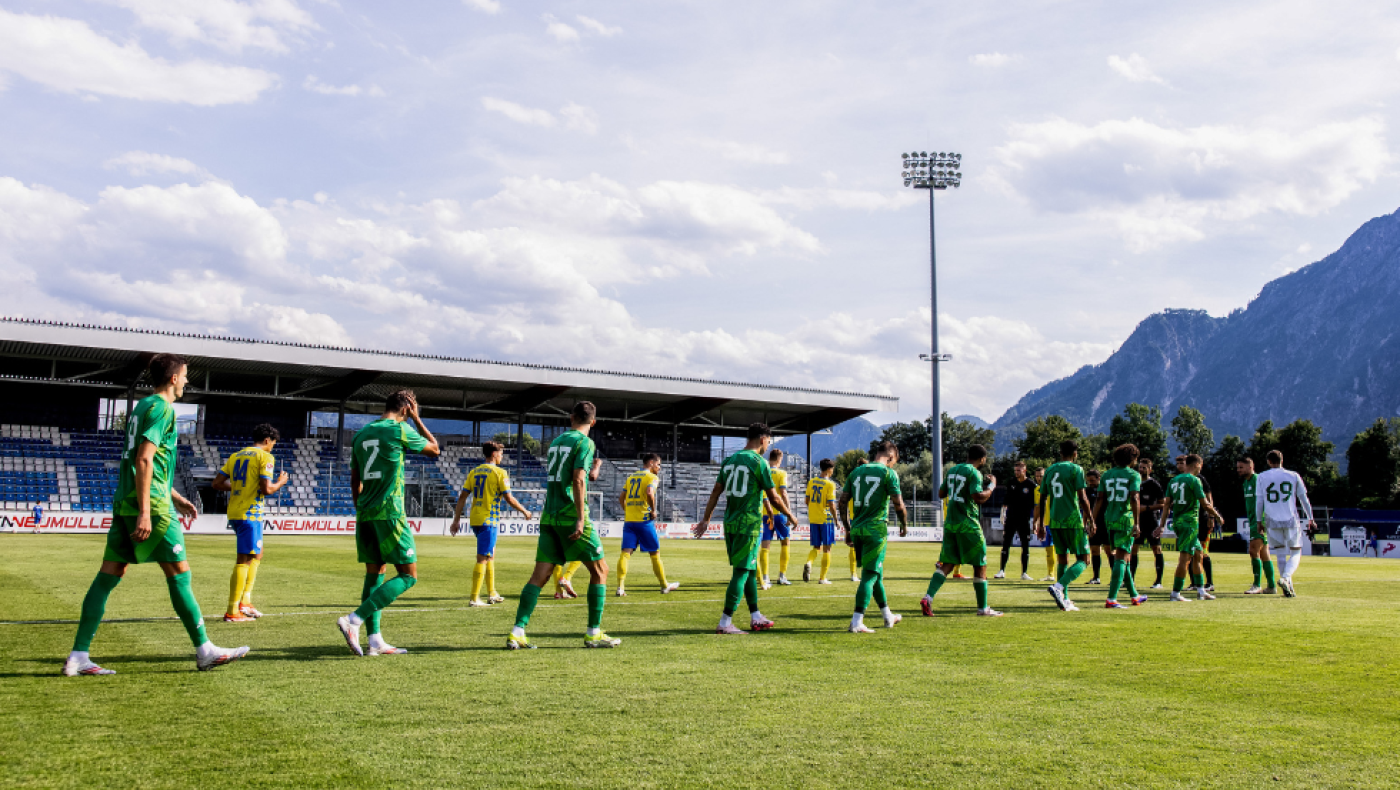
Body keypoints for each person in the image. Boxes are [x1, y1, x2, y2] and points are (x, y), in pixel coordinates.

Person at [63, 354, 248, 676]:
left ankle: (79, 655)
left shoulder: (142, 406)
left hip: (126, 502)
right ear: (174, 378)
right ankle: (204, 650)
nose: (187, 381)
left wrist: (174, 496)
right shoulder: (163, 408)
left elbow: (145, 461)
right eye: (185, 376)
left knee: (108, 576)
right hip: (149, 507)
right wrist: (148, 511)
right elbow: (146, 459)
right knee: (179, 573)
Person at [336, 389, 441, 656]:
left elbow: (354, 479)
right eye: (412, 411)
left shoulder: (361, 434)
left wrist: (360, 508)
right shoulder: (398, 430)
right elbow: (434, 450)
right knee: (408, 575)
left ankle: (374, 641)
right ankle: (354, 620)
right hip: (390, 512)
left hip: (366, 511)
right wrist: (418, 421)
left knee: (375, 574)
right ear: (406, 409)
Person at [508, 402, 619, 648]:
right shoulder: (585, 443)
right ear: (593, 422)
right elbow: (579, 480)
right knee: (600, 571)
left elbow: (575, 475)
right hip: (571, 515)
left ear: (571, 418)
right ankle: (593, 632)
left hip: (549, 515)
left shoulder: (557, 442)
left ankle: (517, 631)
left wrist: (595, 469)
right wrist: (581, 517)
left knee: (539, 576)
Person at [692, 422, 798, 634]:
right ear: (762, 439)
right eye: (768, 441)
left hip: (730, 522)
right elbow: (774, 496)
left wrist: (705, 519)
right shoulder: (759, 462)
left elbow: (715, 492)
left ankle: (755, 615)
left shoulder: (729, 461)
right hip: (747, 523)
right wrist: (790, 515)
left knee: (749, 569)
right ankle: (724, 623)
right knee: (741, 571)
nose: (768, 445)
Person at [211, 423, 289, 622]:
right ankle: (232, 611)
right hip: (249, 513)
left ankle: (245, 601)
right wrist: (280, 482)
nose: (273, 447)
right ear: (266, 440)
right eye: (273, 443)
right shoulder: (265, 457)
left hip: (236, 511)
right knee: (244, 559)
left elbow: (217, 483)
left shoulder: (235, 456)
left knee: (257, 554)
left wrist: (239, 487)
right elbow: (267, 489)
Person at [921, 444, 1001, 617]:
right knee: (980, 564)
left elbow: (941, 493)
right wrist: (992, 486)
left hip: (951, 524)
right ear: (982, 459)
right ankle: (983, 608)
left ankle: (928, 597)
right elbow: (978, 497)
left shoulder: (953, 470)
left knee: (948, 563)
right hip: (968, 524)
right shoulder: (974, 473)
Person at [450, 441, 530, 607]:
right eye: (500, 453)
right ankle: (474, 598)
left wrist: (456, 520)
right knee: (482, 558)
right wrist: (525, 511)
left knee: (490, 555)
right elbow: (509, 498)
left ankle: (492, 593)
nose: (502, 456)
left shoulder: (474, 472)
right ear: (493, 454)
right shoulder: (500, 472)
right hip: (489, 520)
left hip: (476, 519)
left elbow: (462, 497)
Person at [840, 441, 908, 632]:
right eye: (894, 462)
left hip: (858, 529)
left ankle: (888, 616)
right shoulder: (888, 473)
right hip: (875, 530)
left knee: (876, 574)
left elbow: (842, 502)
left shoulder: (856, 472)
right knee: (869, 576)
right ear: (891, 457)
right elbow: (899, 505)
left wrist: (847, 528)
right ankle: (857, 621)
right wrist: (904, 524)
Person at [1156, 454, 1225, 602]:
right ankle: (1175, 593)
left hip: (1179, 522)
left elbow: (1167, 505)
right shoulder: (1195, 480)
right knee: (1185, 559)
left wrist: (1161, 526)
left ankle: (1201, 591)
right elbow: (1205, 503)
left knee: (1199, 553)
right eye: (1201, 465)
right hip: (1189, 522)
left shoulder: (1173, 481)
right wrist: (1217, 516)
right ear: (1197, 465)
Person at [1037, 440, 1093, 612]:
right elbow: (1082, 497)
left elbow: (1042, 497)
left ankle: (1065, 599)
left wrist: (1040, 523)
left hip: (1054, 520)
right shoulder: (1076, 469)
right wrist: (1090, 517)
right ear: (1075, 454)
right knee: (1084, 559)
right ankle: (1059, 587)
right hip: (1072, 520)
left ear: (1060, 453)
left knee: (1063, 558)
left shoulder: (1050, 470)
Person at [615, 453, 679, 596]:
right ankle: (664, 586)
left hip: (629, 521)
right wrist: (654, 511)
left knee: (625, 553)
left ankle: (620, 588)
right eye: (658, 464)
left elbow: (621, 498)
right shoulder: (652, 477)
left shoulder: (631, 477)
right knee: (655, 554)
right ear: (651, 463)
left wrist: (627, 510)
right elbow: (650, 492)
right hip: (644, 520)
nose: (659, 467)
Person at [1092, 444, 1148, 608]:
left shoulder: (1107, 475)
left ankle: (1134, 596)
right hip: (1125, 519)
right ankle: (1112, 599)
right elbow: (1134, 498)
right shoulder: (1133, 475)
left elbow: (1100, 499)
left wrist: (1092, 520)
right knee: (1121, 558)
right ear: (1132, 459)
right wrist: (1137, 523)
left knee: (1124, 558)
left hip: (1109, 518)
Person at [1255, 450, 1314, 598]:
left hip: (1271, 519)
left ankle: (1288, 588)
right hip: (1290, 518)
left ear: (1268, 461)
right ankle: (1286, 578)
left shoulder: (1261, 476)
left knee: (1280, 553)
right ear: (1282, 460)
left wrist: (1258, 521)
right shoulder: (1293, 475)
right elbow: (1303, 499)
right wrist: (1310, 518)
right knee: (1295, 551)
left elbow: (1259, 501)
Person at [1239, 457, 1277, 594]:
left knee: (1253, 551)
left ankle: (1257, 585)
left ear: (1250, 467)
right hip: (1254, 521)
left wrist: (1263, 520)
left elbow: (1266, 500)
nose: (1238, 470)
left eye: (1241, 467)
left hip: (1260, 521)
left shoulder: (1258, 480)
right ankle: (1272, 586)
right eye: (1238, 468)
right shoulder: (1246, 483)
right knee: (1263, 553)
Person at [995, 460, 1036, 581]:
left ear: (1025, 470)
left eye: (1019, 470)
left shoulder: (1031, 485)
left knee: (1025, 545)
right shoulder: (1011, 482)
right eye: (1015, 471)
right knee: (1006, 544)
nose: (1016, 473)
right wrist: (1003, 513)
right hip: (1011, 518)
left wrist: (1036, 521)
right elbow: (1006, 499)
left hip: (1024, 519)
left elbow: (1035, 503)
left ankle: (1024, 573)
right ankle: (1001, 570)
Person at [759, 448, 793, 588]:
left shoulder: (763, 471)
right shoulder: (781, 473)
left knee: (765, 546)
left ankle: (765, 578)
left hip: (764, 513)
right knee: (785, 543)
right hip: (779, 514)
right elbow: (783, 493)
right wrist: (789, 512)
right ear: (780, 459)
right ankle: (782, 576)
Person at [802, 458, 840, 584]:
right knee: (827, 548)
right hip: (826, 519)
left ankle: (809, 562)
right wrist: (836, 519)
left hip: (813, 518)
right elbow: (832, 504)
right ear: (829, 469)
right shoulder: (830, 484)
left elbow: (806, 501)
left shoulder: (812, 482)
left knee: (816, 546)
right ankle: (822, 578)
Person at [1130, 458, 1167, 589]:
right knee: (1133, 549)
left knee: (1156, 549)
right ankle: (1130, 580)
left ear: (1150, 470)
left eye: (1144, 467)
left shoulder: (1154, 485)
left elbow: (1163, 504)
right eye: (1140, 467)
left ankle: (1158, 581)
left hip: (1151, 521)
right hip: (1136, 521)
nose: (1141, 469)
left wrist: (1145, 508)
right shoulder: (1134, 481)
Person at [1085, 469, 1108, 584]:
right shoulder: (1087, 491)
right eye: (1088, 481)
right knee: (1094, 550)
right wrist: (1085, 523)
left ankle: (1115, 578)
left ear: (1099, 479)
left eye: (1092, 480)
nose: (1090, 482)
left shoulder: (1106, 489)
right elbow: (1086, 508)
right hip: (1094, 524)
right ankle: (1096, 577)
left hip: (1106, 523)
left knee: (1109, 551)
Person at [1034, 467, 1055, 581]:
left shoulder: (1053, 489)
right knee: (1048, 549)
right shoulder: (1036, 490)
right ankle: (1050, 574)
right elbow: (1037, 507)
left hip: (1054, 523)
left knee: (1060, 550)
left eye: (1041, 476)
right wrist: (1035, 522)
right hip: (1044, 524)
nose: (1039, 478)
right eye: (1037, 476)